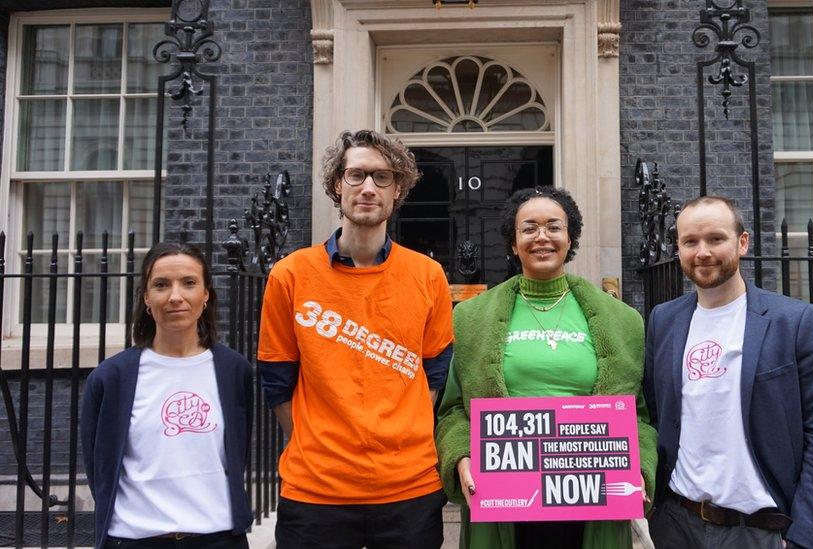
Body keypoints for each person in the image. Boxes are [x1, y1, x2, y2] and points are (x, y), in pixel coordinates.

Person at [257, 129, 454, 548]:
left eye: (382, 177)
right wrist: (315, 444)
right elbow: (276, 377)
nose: (368, 188)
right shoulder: (290, 275)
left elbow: (436, 369)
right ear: (336, 184)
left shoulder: (428, 275)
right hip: (316, 492)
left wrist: (404, 428)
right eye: (357, 175)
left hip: (410, 487)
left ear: (397, 189)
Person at [436, 186, 658, 549]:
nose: (542, 237)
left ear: (571, 239)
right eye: (529, 228)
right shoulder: (472, 317)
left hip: (593, 503)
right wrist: (461, 457)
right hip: (501, 500)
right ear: (513, 242)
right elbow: (452, 411)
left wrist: (640, 471)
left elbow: (638, 416)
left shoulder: (622, 320)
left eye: (554, 227)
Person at [643, 196, 813, 549]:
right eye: (690, 241)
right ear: (678, 249)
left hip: (761, 529)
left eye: (715, 238)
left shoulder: (794, 322)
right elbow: (656, 416)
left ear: (743, 242)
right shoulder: (664, 320)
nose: (702, 251)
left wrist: (803, 539)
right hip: (677, 524)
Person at [81, 242, 253, 549]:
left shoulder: (234, 370)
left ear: (206, 294)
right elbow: (101, 470)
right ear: (147, 297)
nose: (176, 297)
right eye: (161, 285)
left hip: (219, 538)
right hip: (135, 539)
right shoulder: (111, 378)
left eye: (189, 283)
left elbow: (236, 453)